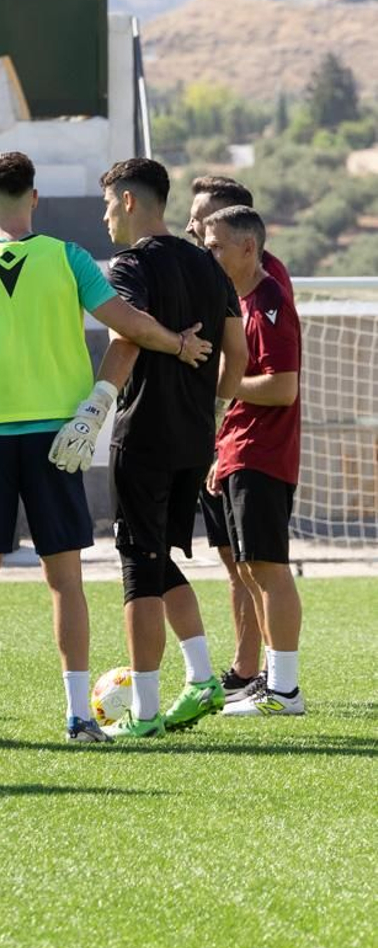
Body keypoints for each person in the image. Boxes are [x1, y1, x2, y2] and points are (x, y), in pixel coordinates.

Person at [0, 152, 210, 745]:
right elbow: (127, 322)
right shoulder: (67, 256)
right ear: (33, 198)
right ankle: (79, 717)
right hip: (58, 439)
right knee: (65, 580)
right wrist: (177, 345)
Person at [66, 158, 246, 739]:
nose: (104, 217)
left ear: (126, 200)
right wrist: (213, 409)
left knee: (137, 566)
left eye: (106, 205)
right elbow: (237, 355)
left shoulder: (133, 263)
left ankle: (143, 714)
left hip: (144, 434)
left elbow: (127, 332)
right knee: (157, 557)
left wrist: (95, 408)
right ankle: (200, 678)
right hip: (195, 437)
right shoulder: (207, 264)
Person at [184, 175, 295, 701]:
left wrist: (221, 384)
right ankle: (258, 676)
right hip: (233, 447)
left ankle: (277, 682)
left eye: (206, 230)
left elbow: (281, 386)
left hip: (261, 450)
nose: (194, 231)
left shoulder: (267, 292)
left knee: (264, 567)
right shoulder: (234, 291)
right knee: (244, 566)